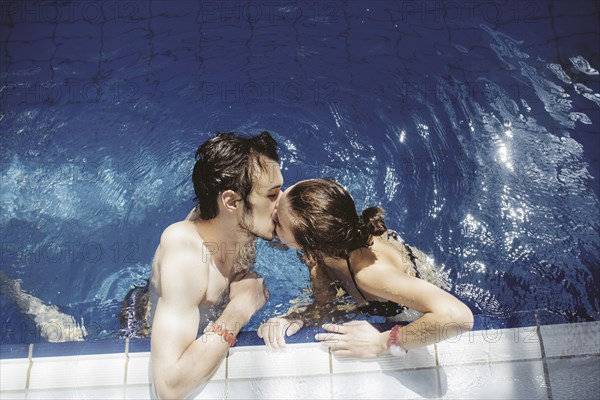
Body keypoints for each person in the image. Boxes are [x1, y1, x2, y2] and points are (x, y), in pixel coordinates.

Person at [257, 178, 473, 358]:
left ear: (310, 245)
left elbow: (457, 317)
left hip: (408, 307)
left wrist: (382, 342)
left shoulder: (369, 275)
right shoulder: (326, 230)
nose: (272, 212)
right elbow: (325, 303)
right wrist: (295, 317)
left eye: (278, 222)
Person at [149, 131, 283, 399]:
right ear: (231, 201)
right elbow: (169, 387)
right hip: (144, 325)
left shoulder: (241, 223)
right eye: (272, 195)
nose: (282, 203)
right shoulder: (187, 256)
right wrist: (241, 308)